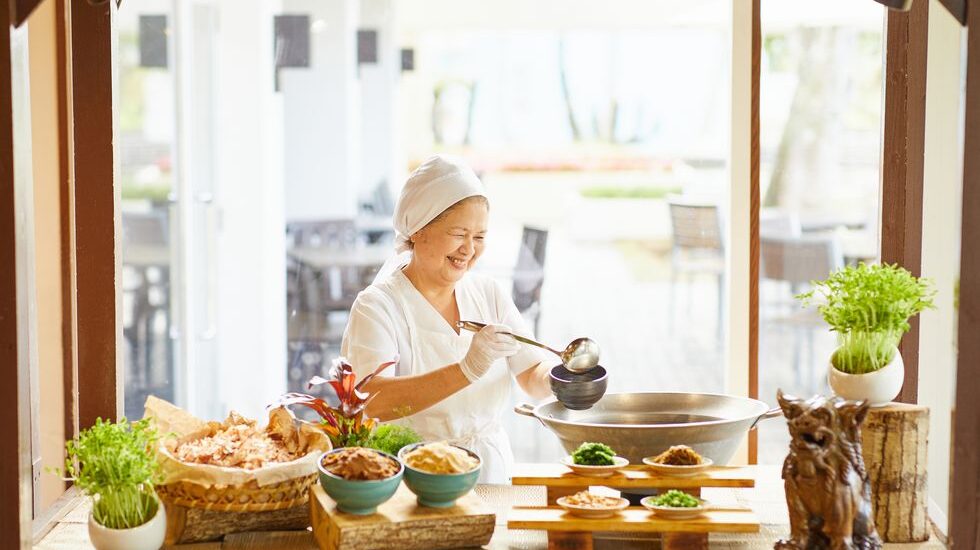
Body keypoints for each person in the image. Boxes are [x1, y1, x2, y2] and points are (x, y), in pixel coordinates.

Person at [341, 154, 552, 483]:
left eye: (479, 237)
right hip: (417, 480)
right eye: (459, 234)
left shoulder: (488, 293)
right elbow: (371, 401)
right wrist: (467, 369)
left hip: (491, 477)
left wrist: (562, 381)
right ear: (419, 231)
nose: (470, 249)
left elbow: (531, 373)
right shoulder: (378, 306)